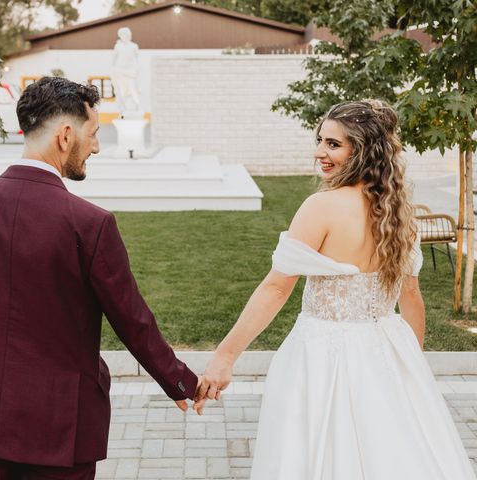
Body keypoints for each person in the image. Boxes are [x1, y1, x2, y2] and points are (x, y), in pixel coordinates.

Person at [0, 76, 199, 480]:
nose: (95, 146)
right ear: (64, 135)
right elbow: (132, 319)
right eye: (93, 134)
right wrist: (181, 381)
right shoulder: (90, 224)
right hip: (62, 421)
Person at [195, 100, 477, 479]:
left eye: (333, 144)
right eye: (320, 141)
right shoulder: (400, 213)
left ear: (361, 151)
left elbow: (276, 289)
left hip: (322, 354)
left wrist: (225, 357)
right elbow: (411, 298)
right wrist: (412, 366)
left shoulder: (321, 207)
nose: (319, 152)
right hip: (388, 350)